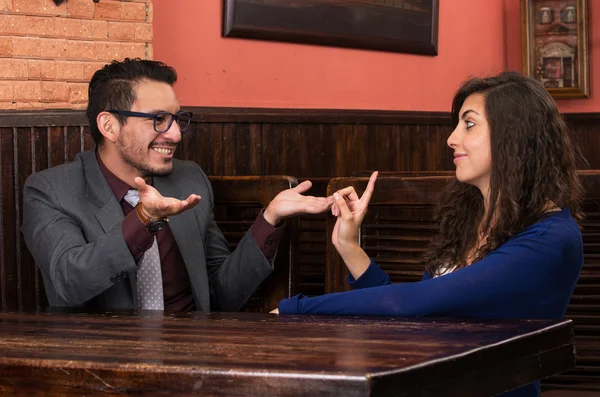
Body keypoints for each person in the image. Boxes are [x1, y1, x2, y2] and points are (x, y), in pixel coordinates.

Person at [277, 72, 585, 397]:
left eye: (469, 124)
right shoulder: (472, 218)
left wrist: (294, 310)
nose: (451, 139)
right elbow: (419, 318)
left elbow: (410, 304)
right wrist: (348, 245)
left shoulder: (552, 239)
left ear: (515, 135)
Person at [22, 58, 332, 312]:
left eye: (176, 118)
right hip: (105, 367)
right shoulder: (51, 190)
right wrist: (143, 219)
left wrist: (269, 219)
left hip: (194, 358)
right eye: (158, 119)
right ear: (110, 126)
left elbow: (220, 294)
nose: (175, 135)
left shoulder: (188, 178)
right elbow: (69, 281)